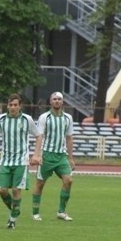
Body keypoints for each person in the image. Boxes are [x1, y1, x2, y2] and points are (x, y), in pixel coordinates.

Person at [0, 93, 37, 229]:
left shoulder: (27, 120)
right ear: (7, 106)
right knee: (2, 190)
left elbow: (39, 135)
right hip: (5, 160)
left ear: (20, 106)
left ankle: (12, 220)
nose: (12, 107)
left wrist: (36, 154)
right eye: (10, 105)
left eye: (15, 105)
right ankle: (15, 208)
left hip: (21, 161)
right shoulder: (1, 119)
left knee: (17, 190)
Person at [30, 91, 75, 221]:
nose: (57, 101)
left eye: (59, 99)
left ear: (62, 102)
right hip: (47, 155)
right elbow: (40, 136)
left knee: (69, 180)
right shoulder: (45, 117)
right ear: (50, 102)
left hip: (61, 155)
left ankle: (61, 211)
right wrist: (37, 155)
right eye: (54, 99)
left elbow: (69, 138)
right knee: (40, 183)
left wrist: (70, 157)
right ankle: (35, 212)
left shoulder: (68, 118)